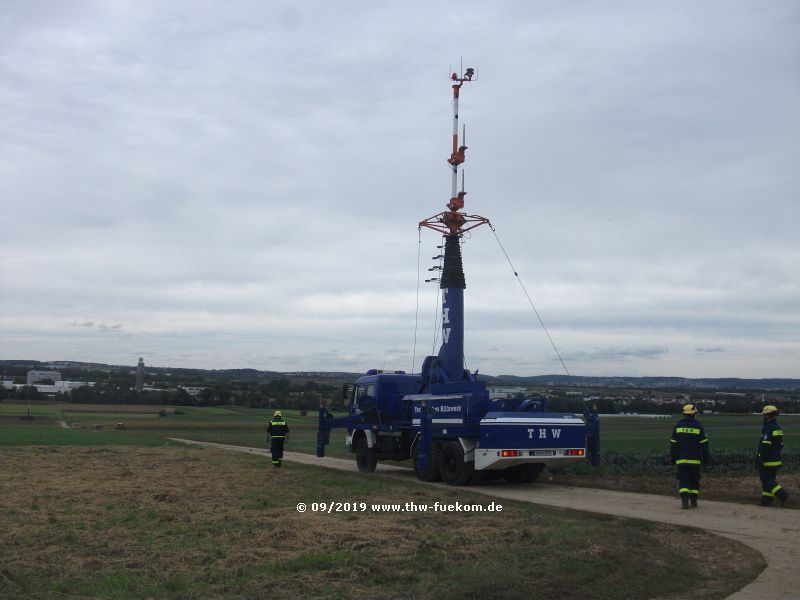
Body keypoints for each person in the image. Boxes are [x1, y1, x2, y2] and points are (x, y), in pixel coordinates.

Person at [670, 404, 710, 509]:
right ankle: (693, 501)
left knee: (683, 481)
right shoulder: (699, 426)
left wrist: (672, 457)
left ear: (684, 414)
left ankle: (684, 502)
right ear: (694, 414)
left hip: (681, 461)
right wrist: (707, 460)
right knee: (694, 481)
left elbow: (673, 444)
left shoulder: (678, 426)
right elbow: (704, 446)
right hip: (695, 461)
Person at [757, 405, 788, 507]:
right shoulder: (778, 427)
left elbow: (765, 445)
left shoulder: (768, 427)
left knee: (766, 480)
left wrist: (761, 459)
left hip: (767, 460)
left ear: (766, 415)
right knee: (769, 480)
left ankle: (782, 494)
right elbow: (781, 445)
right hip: (775, 460)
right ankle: (766, 500)